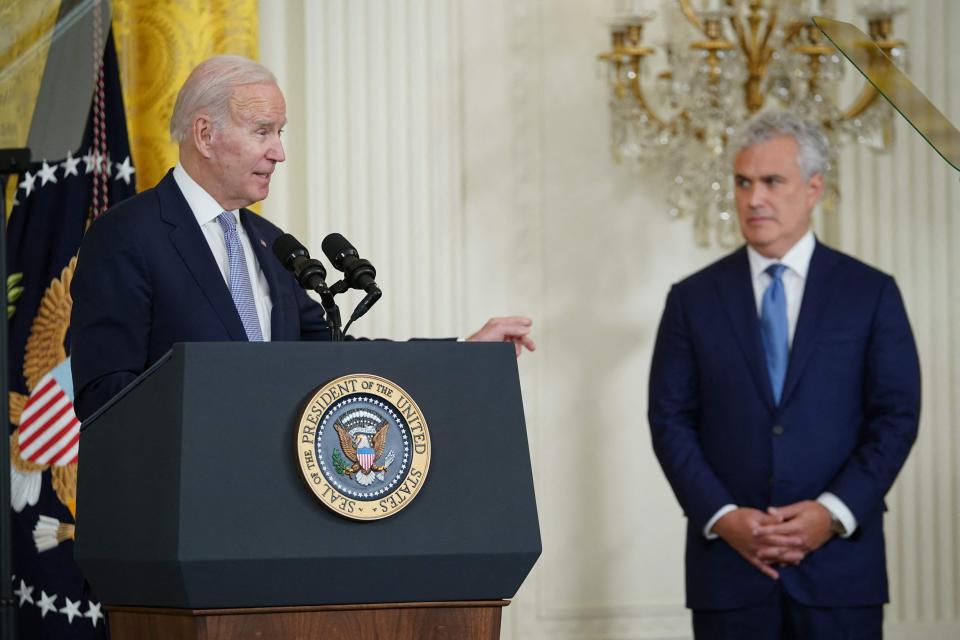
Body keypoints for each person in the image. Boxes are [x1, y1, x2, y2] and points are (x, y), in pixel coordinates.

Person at [70, 55, 534, 420]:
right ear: (205, 134)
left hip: (274, 508)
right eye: (262, 132)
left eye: (280, 132)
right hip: (176, 510)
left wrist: (465, 355)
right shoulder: (127, 235)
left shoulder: (274, 246)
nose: (279, 152)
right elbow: (105, 395)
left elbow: (335, 356)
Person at [647, 110, 920, 639]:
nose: (754, 199)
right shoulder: (692, 300)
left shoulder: (871, 293)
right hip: (729, 571)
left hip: (841, 571)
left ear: (814, 187)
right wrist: (724, 515)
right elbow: (669, 419)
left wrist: (830, 511)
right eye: (743, 182)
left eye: (773, 181)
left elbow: (897, 417)